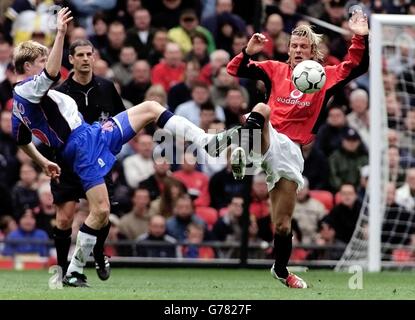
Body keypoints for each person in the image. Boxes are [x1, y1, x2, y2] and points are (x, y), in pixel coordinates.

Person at [11, 8, 226, 287]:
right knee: (99, 212)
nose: (46, 64)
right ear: (28, 66)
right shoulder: (28, 88)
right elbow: (52, 72)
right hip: (80, 145)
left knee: (150, 107)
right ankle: (74, 269)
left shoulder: (19, 104)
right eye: (40, 60)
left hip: (92, 134)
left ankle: (206, 140)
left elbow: (22, 139)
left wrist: (41, 162)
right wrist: (61, 34)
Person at [209, 9, 369, 288]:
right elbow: (234, 69)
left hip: (292, 151)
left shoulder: (325, 77)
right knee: (260, 109)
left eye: (303, 47)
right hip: (267, 135)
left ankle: (281, 270)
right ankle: (243, 153)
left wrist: (359, 36)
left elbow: (357, 66)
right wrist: (248, 50)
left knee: (282, 224)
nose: (297, 50)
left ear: (312, 51)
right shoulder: (275, 69)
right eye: (293, 46)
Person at [48, 38, 126, 282]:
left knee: (102, 212)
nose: (84, 59)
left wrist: (111, 150)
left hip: (98, 162)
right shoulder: (60, 93)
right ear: (70, 59)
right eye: (79, 55)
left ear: (94, 57)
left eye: (88, 54)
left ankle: (99, 254)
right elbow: (52, 131)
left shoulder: (106, 87)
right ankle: (63, 270)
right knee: (64, 218)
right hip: (69, 164)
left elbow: (119, 121)